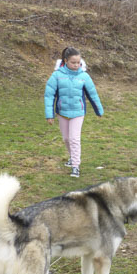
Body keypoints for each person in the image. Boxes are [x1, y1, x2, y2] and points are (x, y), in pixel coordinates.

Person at [44, 47, 104, 178]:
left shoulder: (84, 76)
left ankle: (75, 166)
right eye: (73, 62)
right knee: (66, 139)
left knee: (74, 139)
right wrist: (50, 115)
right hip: (62, 112)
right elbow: (49, 95)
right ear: (65, 61)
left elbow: (92, 94)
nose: (76, 65)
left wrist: (98, 110)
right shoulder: (57, 75)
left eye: (78, 62)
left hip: (78, 112)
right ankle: (72, 157)